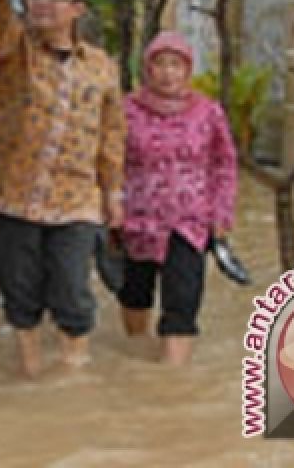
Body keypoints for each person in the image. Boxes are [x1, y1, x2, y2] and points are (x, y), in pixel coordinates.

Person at [0, 0, 126, 378]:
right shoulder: (15, 52)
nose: (40, 3)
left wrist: (113, 192)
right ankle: (29, 370)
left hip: (75, 198)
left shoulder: (101, 66)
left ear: (77, 8)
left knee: (73, 291)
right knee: (20, 293)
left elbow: (112, 132)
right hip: (12, 194)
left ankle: (73, 373)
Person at [119, 31, 238, 365]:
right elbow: (109, 161)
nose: (168, 73)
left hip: (189, 223)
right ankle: (135, 356)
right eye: (160, 64)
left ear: (187, 71)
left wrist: (221, 214)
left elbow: (224, 165)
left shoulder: (208, 112)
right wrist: (110, 207)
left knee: (182, 303)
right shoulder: (126, 110)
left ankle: (171, 381)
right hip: (136, 221)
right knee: (135, 295)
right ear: (148, 69)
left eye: (176, 65)